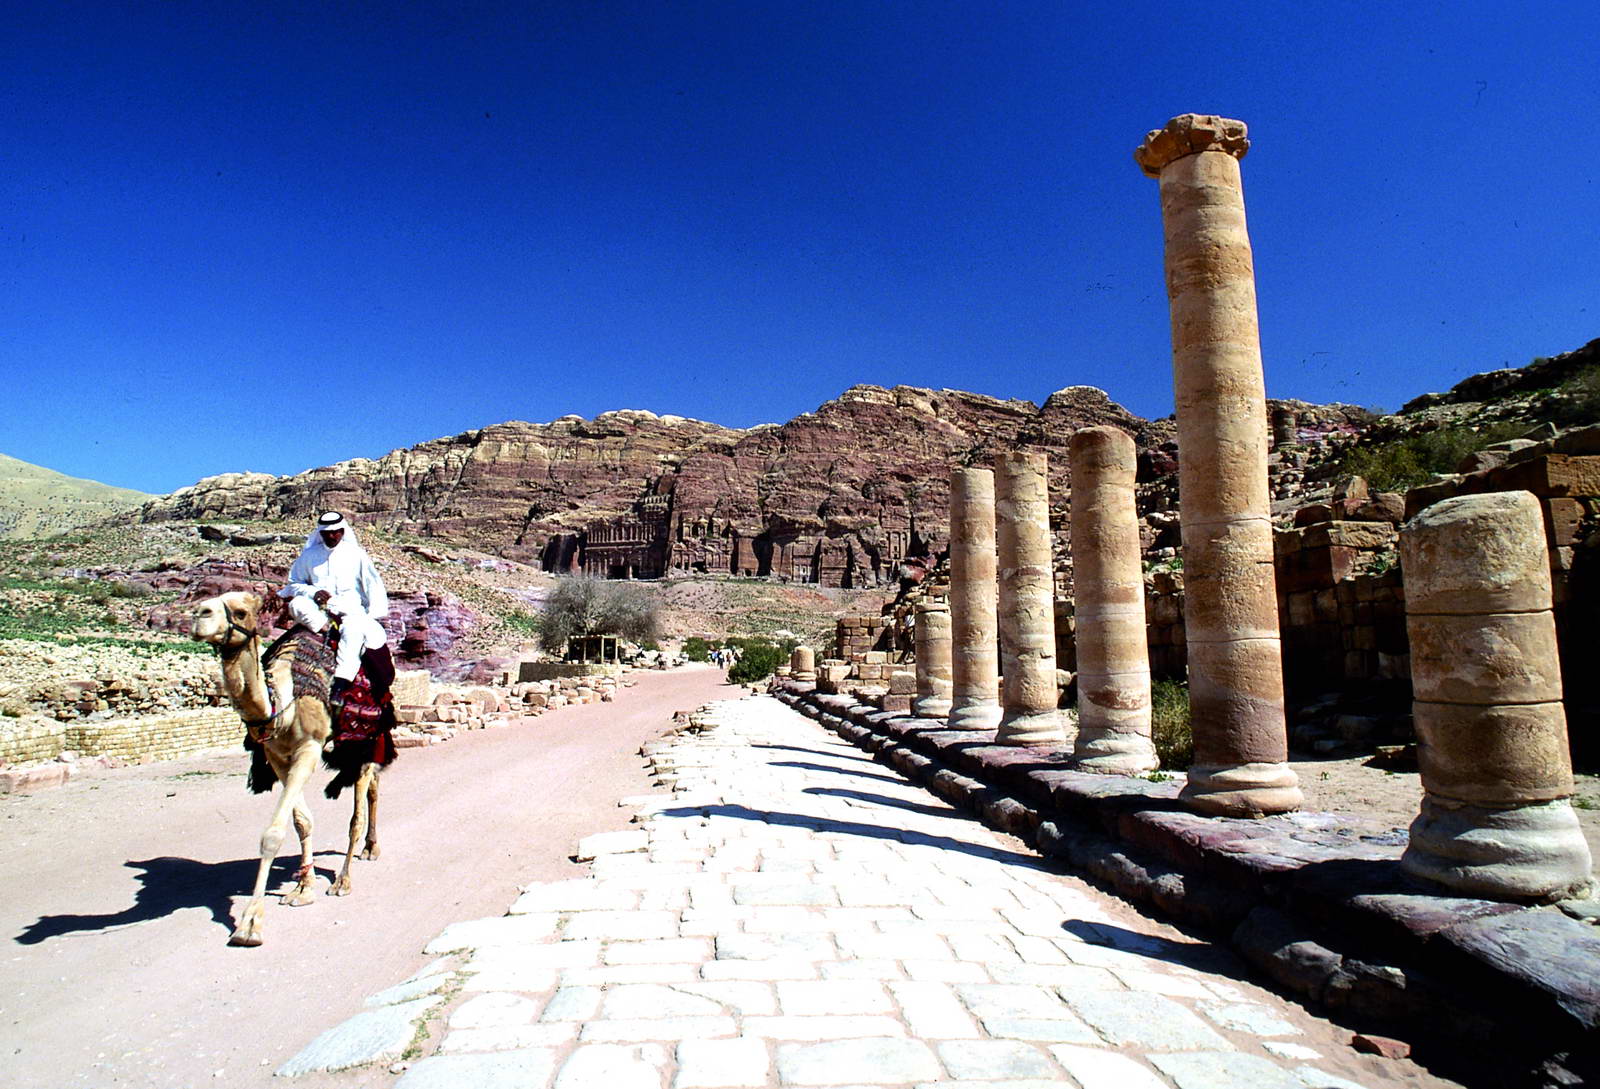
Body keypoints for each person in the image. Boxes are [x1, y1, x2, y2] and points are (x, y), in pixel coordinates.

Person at [279, 511, 393, 711]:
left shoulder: (356, 554)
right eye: (327, 533)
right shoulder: (309, 556)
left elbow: (372, 584)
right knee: (296, 604)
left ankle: (340, 684)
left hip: (349, 609)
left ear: (342, 531)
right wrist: (313, 592)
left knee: (353, 633)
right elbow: (294, 583)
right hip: (318, 610)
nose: (332, 536)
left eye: (336, 532)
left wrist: (373, 615)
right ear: (320, 533)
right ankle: (328, 631)